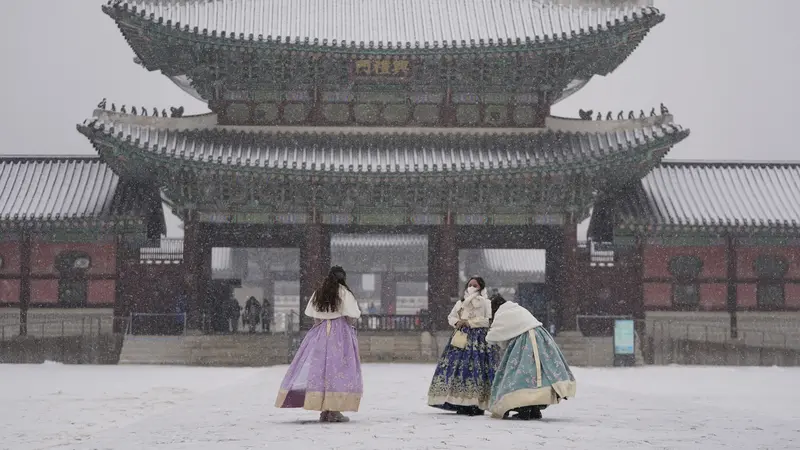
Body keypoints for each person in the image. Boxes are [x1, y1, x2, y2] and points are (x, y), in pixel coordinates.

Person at [275, 266, 363, 423]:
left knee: (320, 370)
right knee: (337, 369)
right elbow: (351, 316)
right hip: (340, 333)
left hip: (320, 332)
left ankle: (323, 409)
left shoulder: (320, 292)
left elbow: (314, 316)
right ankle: (334, 409)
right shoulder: (344, 293)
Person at [486, 294, 577, 420]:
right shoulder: (516, 308)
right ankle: (534, 409)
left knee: (521, 375)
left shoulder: (503, 313)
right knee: (537, 374)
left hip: (525, 342)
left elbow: (494, 335)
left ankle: (524, 409)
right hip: (540, 338)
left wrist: (487, 337)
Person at [427, 277, 496, 416]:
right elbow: (451, 317)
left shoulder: (485, 302)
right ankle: (460, 402)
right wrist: (458, 322)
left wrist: (470, 322)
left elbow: (487, 320)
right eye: (470, 284)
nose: (471, 287)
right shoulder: (461, 303)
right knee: (458, 370)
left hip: (478, 340)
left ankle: (476, 403)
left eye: (474, 285)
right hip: (460, 338)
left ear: (481, 287)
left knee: (477, 370)